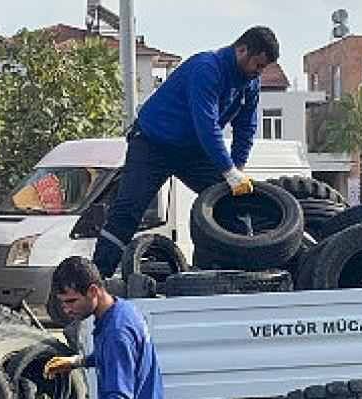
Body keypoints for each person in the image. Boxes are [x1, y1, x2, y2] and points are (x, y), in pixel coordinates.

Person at [92, 26, 280, 277]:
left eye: (263, 68)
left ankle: (232, 273)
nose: (259, 72)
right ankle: (96, 278)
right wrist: (227, 169)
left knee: (232, 205)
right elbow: (207, 125)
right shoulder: (207, 68)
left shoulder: (250, 83)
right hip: (152, 144)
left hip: (193, 153)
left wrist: (237, 169)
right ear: (242, 50)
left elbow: (246, 127)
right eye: (257, 65)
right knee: (128, 209)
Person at [46, 256, 167, 399]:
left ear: (93, 291)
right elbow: (121, 359)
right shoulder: (122, 310)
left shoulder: (116, 332)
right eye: (62, 302)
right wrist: (79, 361)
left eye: (71, 301)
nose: (66, 309)